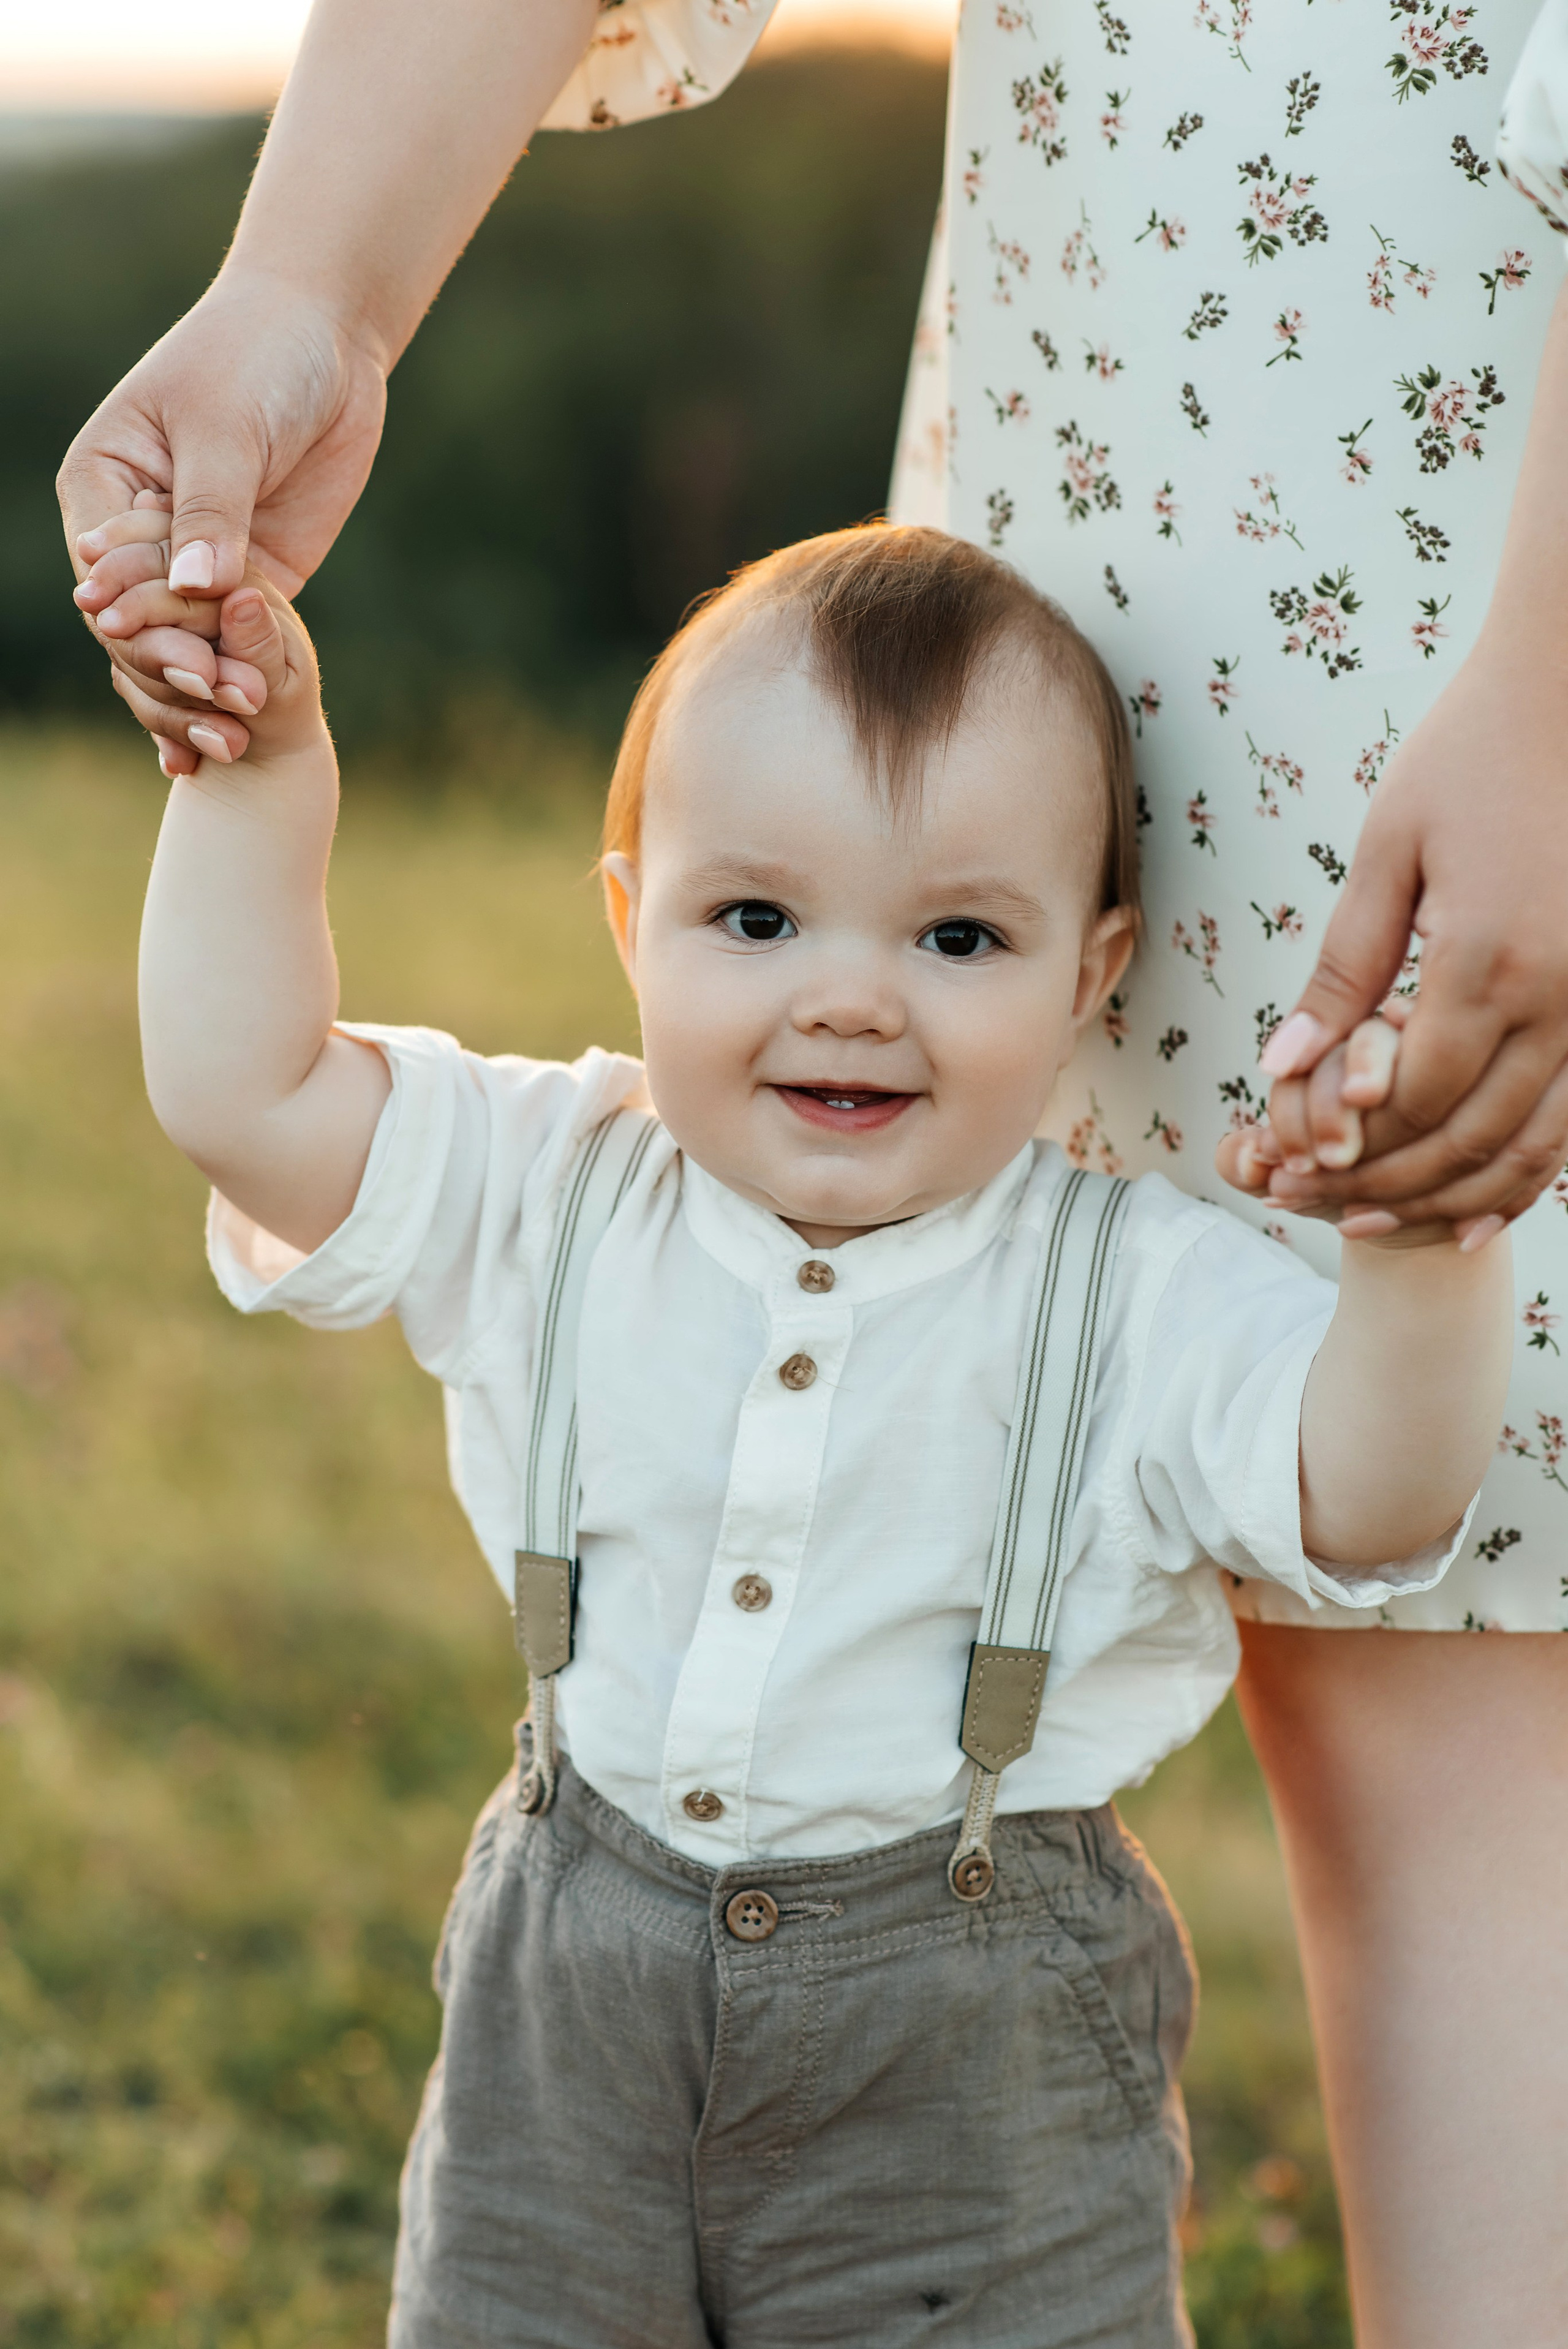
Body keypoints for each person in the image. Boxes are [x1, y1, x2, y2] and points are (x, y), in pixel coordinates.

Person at [56, 3, 1568, 2335]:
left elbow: (1379, 1506)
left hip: (973, 2097)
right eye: (756, 921)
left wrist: (1426, 1238)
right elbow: (249, 1096)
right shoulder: (562, 1182)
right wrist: (254, 785)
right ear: (624, 918)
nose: (849, 995)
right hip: (571, 2030)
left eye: (957, 935)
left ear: (1100, 978)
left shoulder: (1131, 1280)